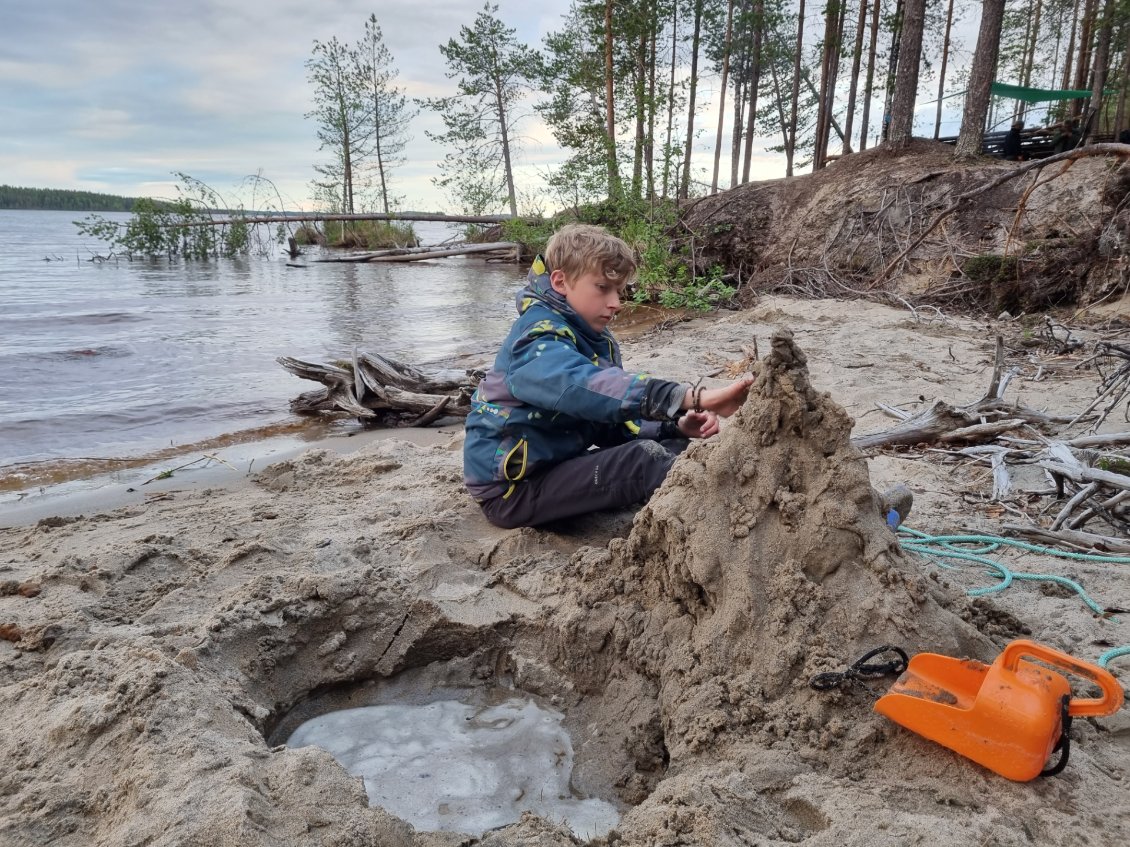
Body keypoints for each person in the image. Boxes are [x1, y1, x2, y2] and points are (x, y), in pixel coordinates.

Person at [463, 223, 754, 529]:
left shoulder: (588, 336)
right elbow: (583, 388)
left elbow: (604, 419)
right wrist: (692, 398)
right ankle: (727, 517)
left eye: (619, 290)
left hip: (553, 464)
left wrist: (675, 425)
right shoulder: (536, 338)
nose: (616, 303)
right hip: (512, 490)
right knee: (645, 460)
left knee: (672, 446)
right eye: (603, 288)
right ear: (560, 281)